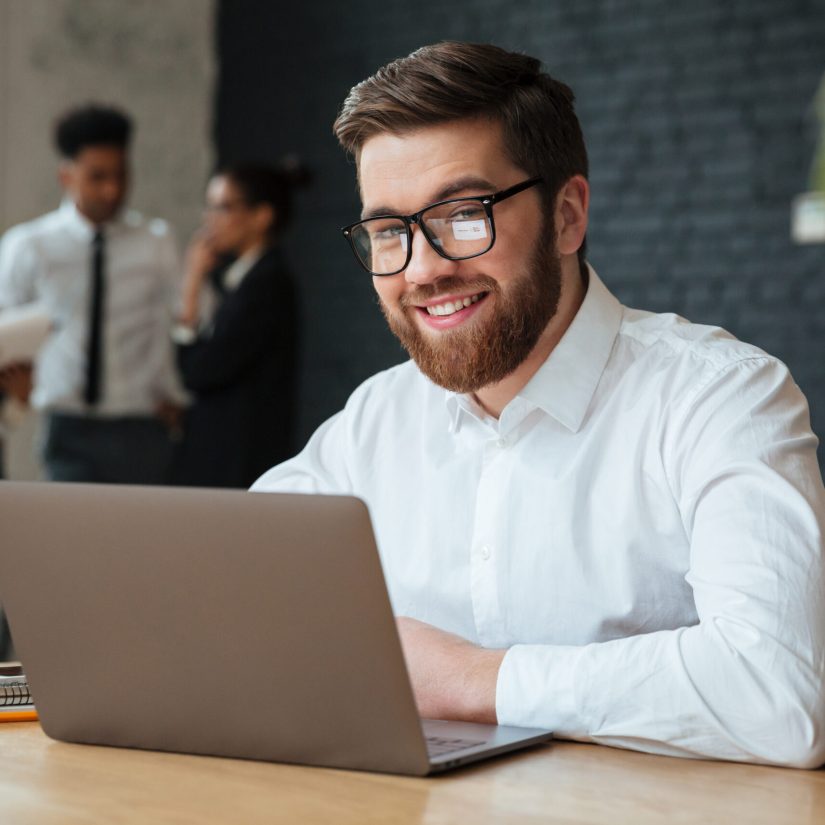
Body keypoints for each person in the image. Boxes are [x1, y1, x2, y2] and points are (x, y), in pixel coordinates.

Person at [252, 42, 825, 768]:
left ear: (566, 215)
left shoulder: (720, 398)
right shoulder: (376, 419)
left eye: (462, 214)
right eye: (389, 232)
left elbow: (780, 691)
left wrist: (469, 679)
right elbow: (233, 600)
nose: (423, 268)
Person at [0, 104, 183, 484]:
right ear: (66, 176)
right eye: (97, 177)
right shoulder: (29, 245)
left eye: (121, 175)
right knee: (69, 539)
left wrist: (180, 396)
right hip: (66, 427)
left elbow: (190, 323)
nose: (112, 189)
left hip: (141, 425)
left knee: (144, 539)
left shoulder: (156, 241)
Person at [171, 161, 305, 488]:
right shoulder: (246, 279)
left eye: (223, 208)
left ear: (261, 216)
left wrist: (192, 281)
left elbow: (200, 370)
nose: (209, 220)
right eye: (210, 207)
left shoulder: (265, 284)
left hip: (240, 462)